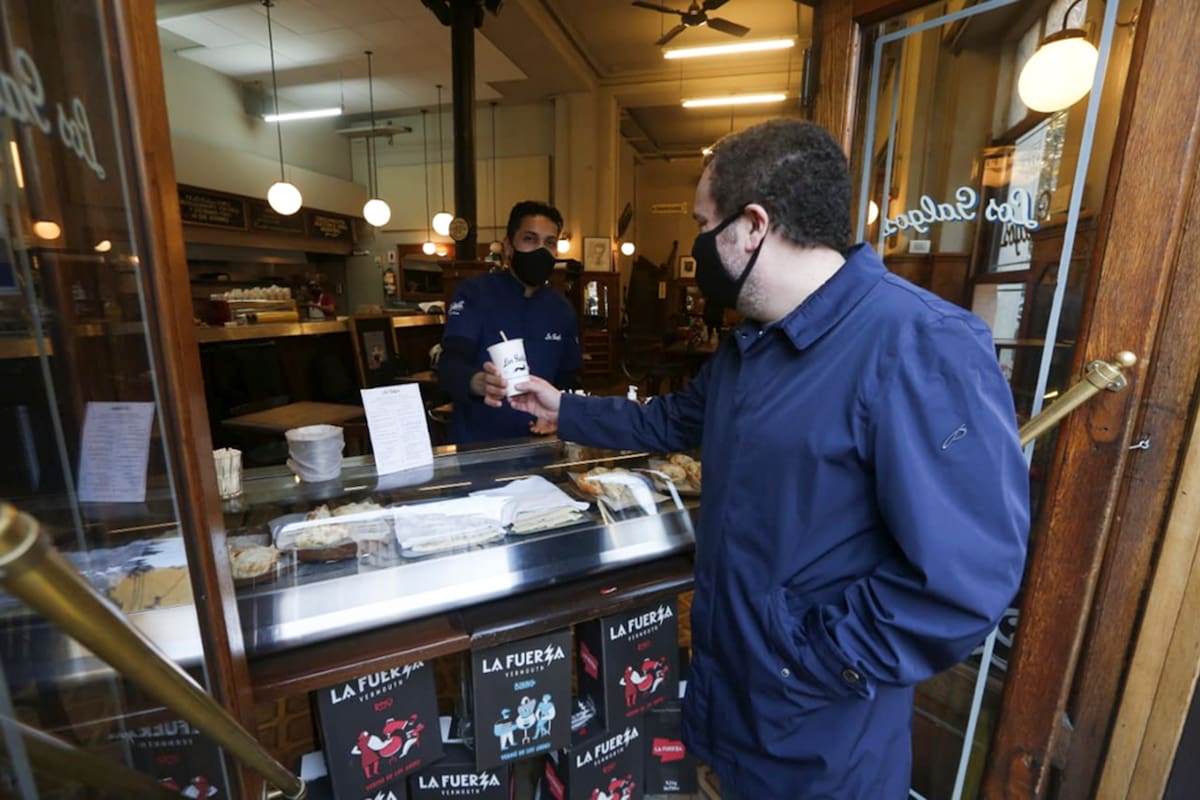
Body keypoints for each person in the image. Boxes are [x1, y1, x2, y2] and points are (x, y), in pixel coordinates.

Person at [505, 120, 1030, 798]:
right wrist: (565, 408)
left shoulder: (917, 344)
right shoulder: (751, 345)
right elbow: (675, 419)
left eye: (702, 225)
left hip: (822, 742)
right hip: (736, 713)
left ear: (752, 226)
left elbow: (965, 579)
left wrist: (809, 663)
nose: (696, 250)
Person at [438, 200, 583, 444]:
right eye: (529, 239)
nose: (540, 250)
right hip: (480, 447)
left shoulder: (562, 310)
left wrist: (559, 416)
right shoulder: (475, 294)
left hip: (540, 450)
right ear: (508, 246)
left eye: (549, 243)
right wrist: (477, 382)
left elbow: (569, 378)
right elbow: (450, 365)